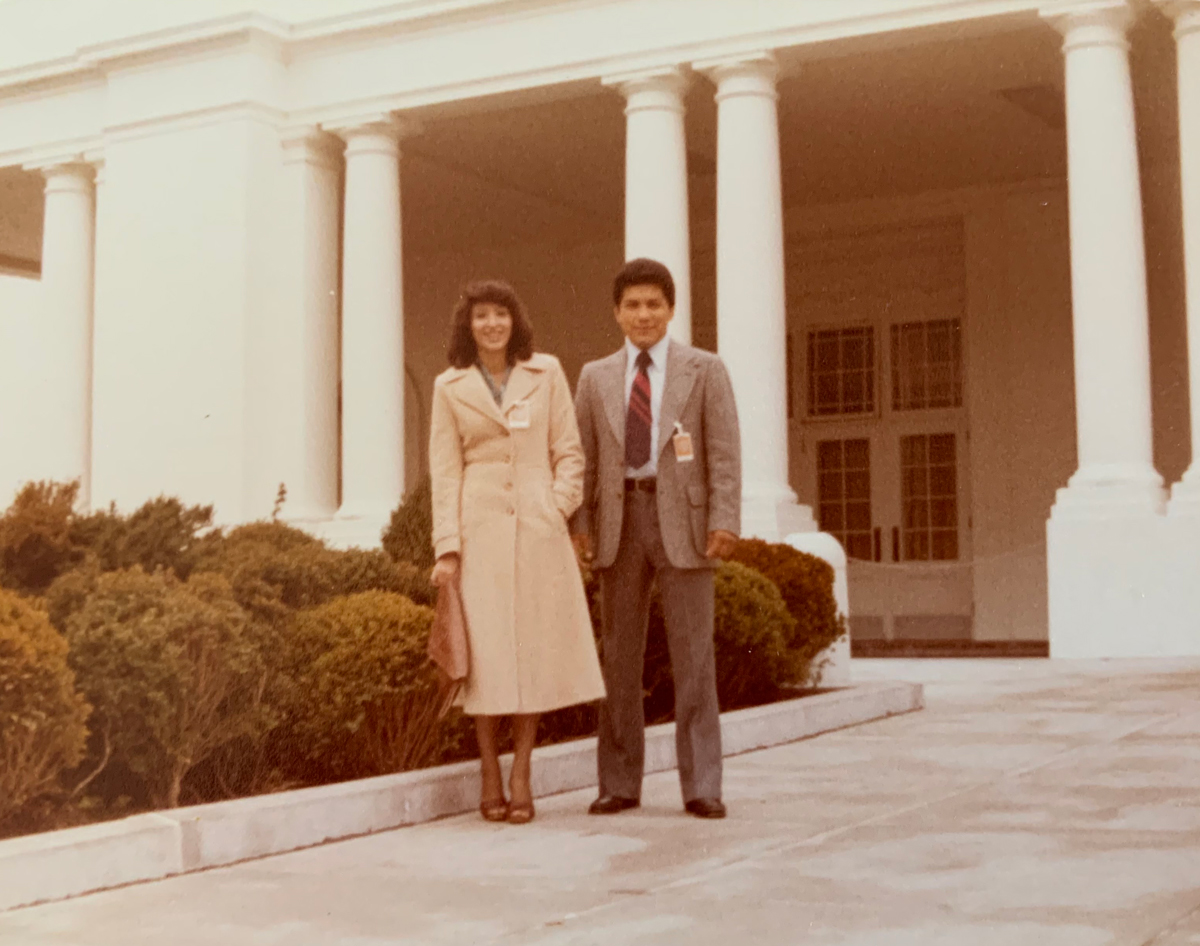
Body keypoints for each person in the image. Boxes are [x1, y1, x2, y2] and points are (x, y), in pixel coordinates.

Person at [428, 279, 605, 825]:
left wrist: (556, 505)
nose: (492, 325)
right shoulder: (449, 386)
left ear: (515, 320)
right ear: (468, 324)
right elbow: (444, 471)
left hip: (537, 529)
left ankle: (522, 773)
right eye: (481, 315)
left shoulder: (545, 372)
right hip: (478, 530)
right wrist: (448, 548)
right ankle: (489, 770)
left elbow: (569, 451)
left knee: (531, 656)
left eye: (501, 314)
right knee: (485, 661)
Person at [571, 257, 742, 820]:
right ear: (616, 312)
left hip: (685, 526)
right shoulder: (595, 377)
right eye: (632, 305)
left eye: (653, 304)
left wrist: (724, 519)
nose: (643, 315)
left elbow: (723, 452)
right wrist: (581, 525)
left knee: (694, 660)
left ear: (670, 309)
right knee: (619, 660)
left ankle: (702, 785)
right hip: (618, 524)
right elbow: (583, 458)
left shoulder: (704, 369)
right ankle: (619, 782)